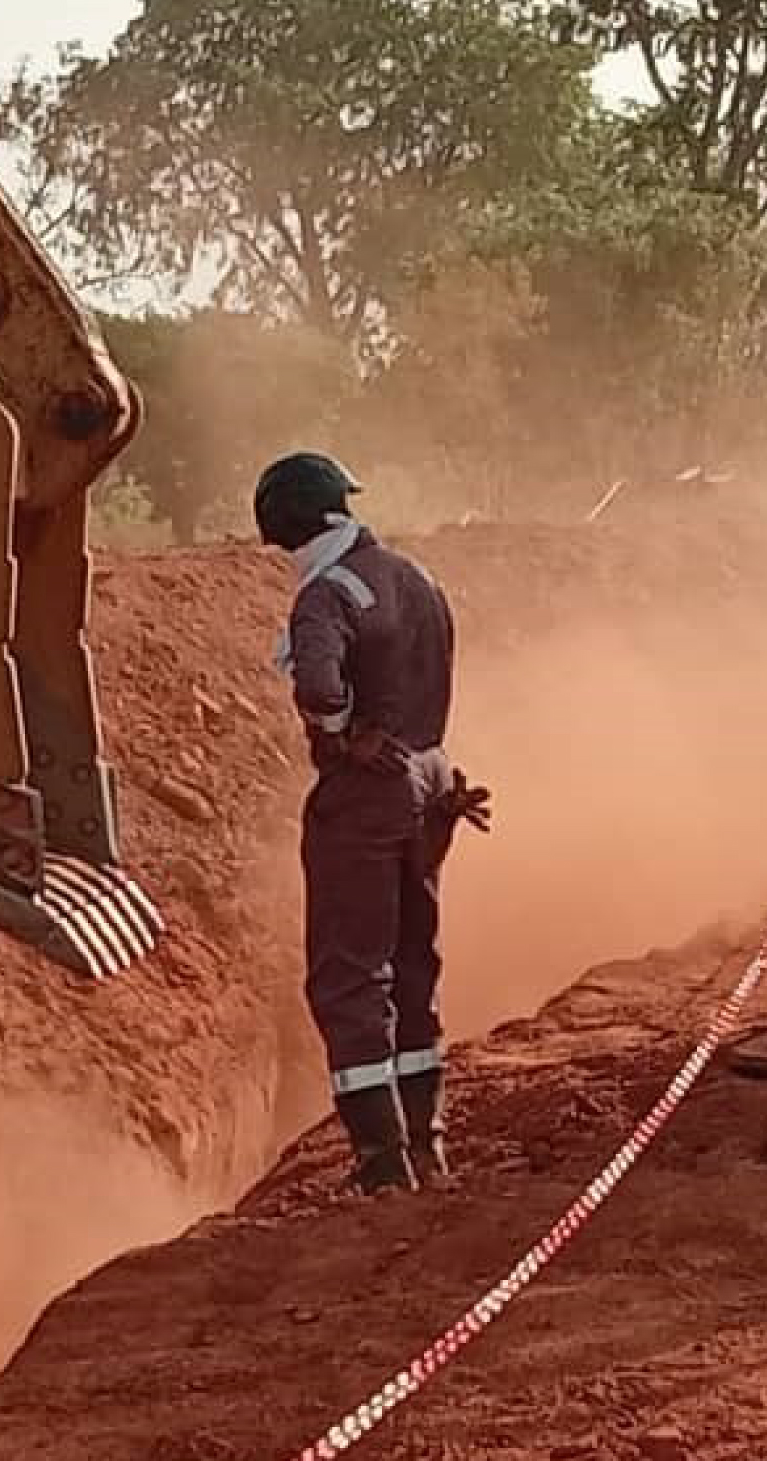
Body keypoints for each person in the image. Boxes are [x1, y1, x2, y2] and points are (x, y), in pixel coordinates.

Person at [255, 450, 491, 1194]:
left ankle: (382, 1168)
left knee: (350, 978)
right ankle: (427, 1148)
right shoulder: (416, 578)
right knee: (413, 964)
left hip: (369, 797)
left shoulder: (326, 594)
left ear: (281, 522)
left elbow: (321, 686)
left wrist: (343, 735)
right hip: (433, 781)